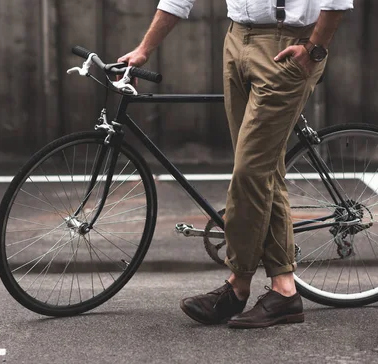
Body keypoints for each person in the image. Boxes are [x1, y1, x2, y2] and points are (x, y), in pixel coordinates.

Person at [119, 0, 353, 329]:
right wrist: (144, 49)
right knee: (264, 173)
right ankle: (284, 291)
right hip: (235, 41)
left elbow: (337, 0)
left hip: (287, 45)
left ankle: (237, 285)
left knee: (250, 172)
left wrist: (315, 49)